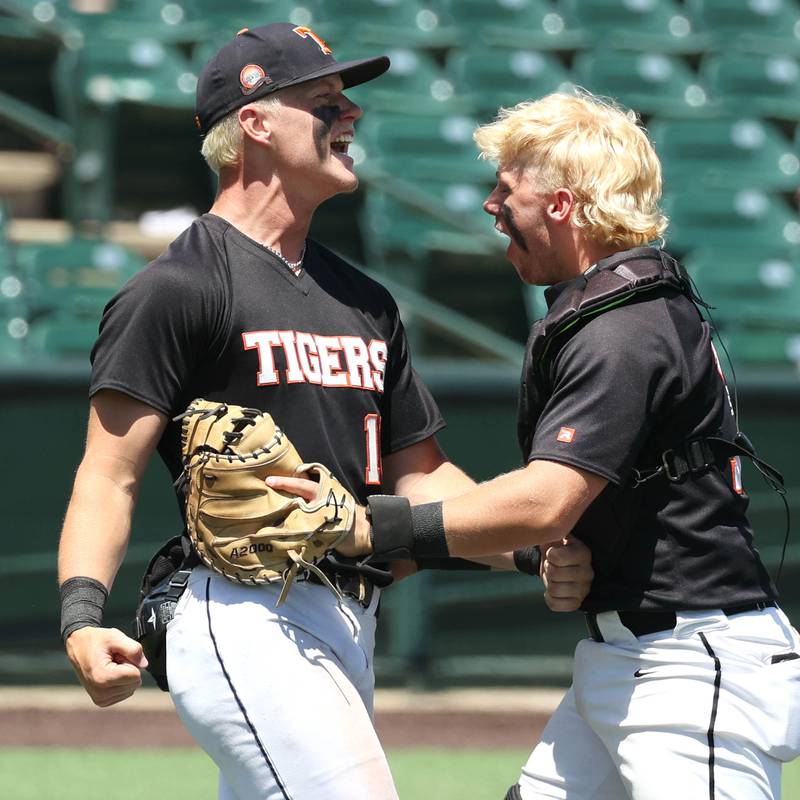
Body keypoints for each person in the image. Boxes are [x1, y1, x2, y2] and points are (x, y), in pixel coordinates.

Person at [57, 25, 595, 800]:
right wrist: (81, 616)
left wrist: (526, 548)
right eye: (324, 101)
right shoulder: (178, 287)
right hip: (242, 611)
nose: (352, 114)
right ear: (254, 124)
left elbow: (423, 476)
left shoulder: (365, 300)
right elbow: (108, 475)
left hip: (350, 620)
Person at [271, 90, 800, 800]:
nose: (492, 204)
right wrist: (551, 557)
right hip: (634, 657)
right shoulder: (619, 309)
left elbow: (546, 501)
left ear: (560, 204)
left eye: (507, 187)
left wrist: (373, 527)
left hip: (691, 668)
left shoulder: (623, 328)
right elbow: (566, 517)